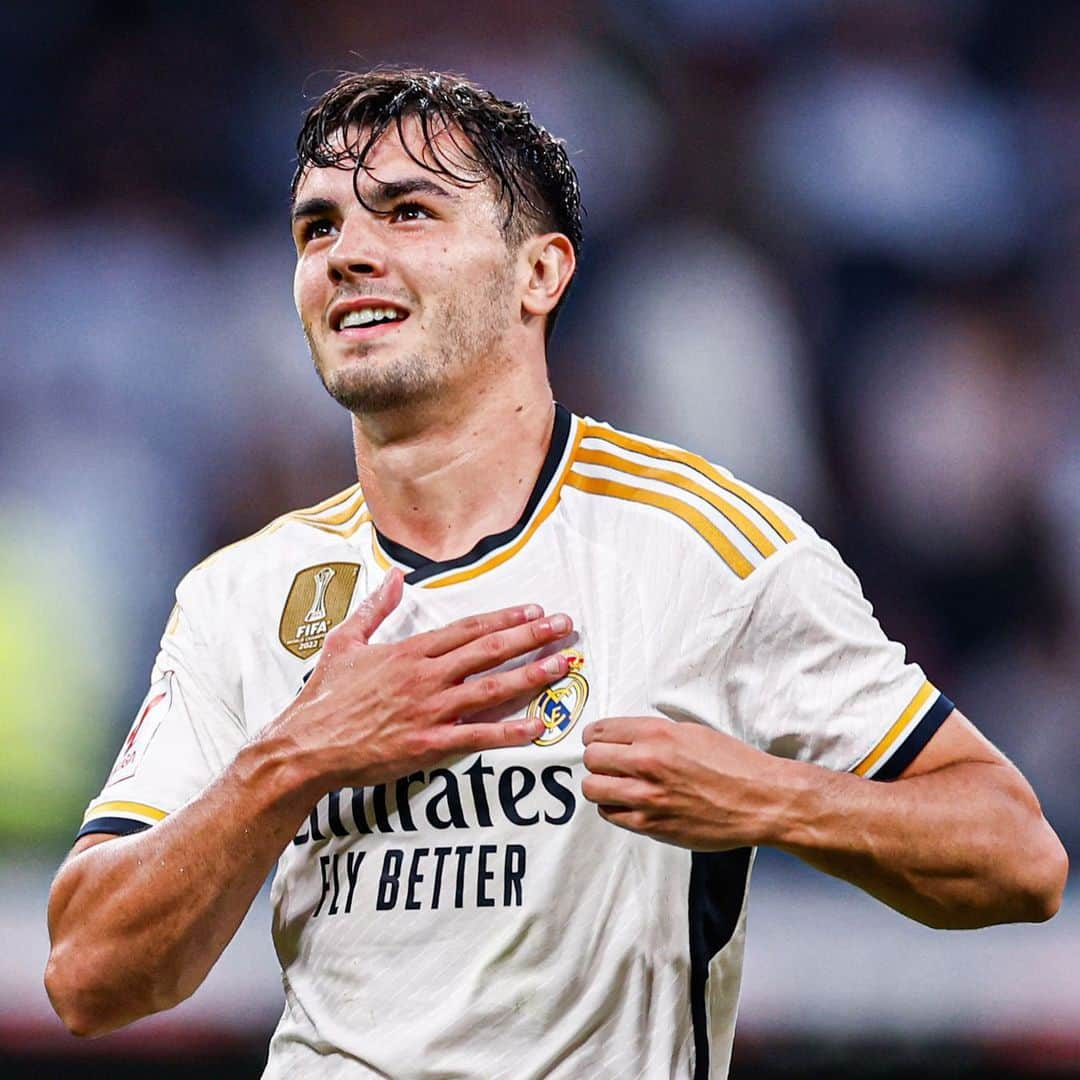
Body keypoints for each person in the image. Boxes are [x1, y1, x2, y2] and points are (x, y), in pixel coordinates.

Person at [45, 69, 1067, 1079]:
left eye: (408, 213)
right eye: (318, 230)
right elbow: (89, 975)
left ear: (540, 274)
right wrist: (292, 761)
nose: (349, 253)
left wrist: (771, 799)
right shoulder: (243, 593)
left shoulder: (706, 548)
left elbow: (1016, 857)